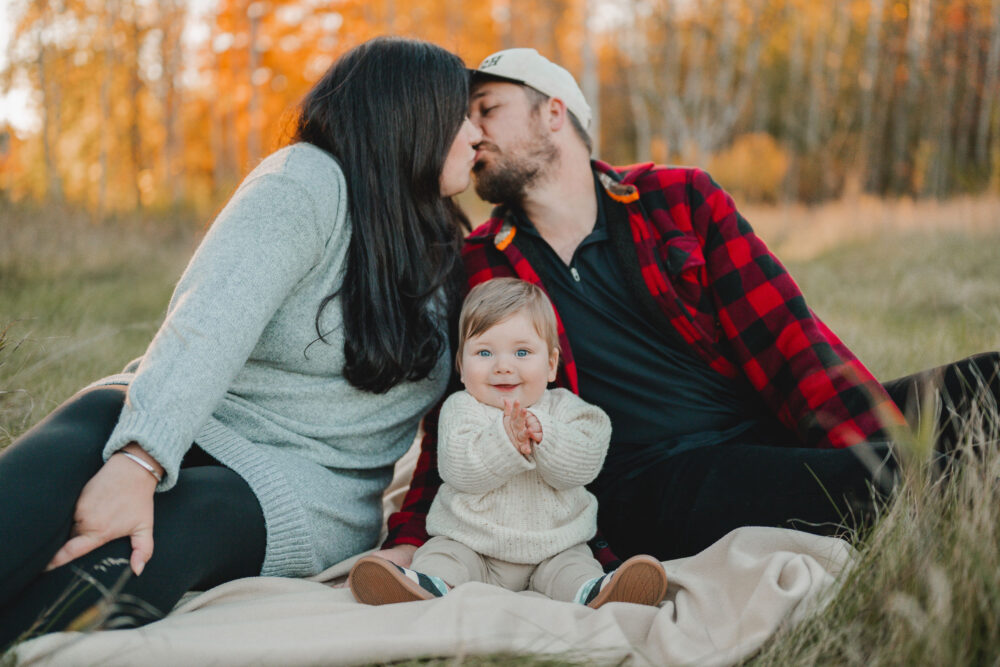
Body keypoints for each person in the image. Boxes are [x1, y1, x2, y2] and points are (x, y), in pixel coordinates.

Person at [375, 47, 1000, 572]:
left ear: (553, 113)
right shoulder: (482, 262)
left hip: (760, 425)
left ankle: (878, 471)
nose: (474, 132)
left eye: (487, 110)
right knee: (890, 479)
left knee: (983, 383)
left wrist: (869, 438)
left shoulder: (678, 199)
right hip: (653, 481)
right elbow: (463, 406)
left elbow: (789, 341)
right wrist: (409, 540)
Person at [0, 36, 484, 648]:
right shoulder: (306, 183)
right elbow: (207, 321)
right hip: (191, 413)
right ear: (408, 117)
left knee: (184, 523)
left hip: (307, 485)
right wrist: (139, 459)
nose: (475, 135)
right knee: (75, 442)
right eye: (459, 116)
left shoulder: (454, 252)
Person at [348, 278, 668, 608]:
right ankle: (427, 585)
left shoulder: (568, 410)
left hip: (555, 546)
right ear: (461, 366)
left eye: (522, 352)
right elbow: (459, 470)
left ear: (551, 365)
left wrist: (545, 434)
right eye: (484, 352)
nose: (503, 366)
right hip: (472, 543)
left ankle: (595, 590)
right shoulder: (461, 409)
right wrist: (505, 442)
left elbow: (582, 467)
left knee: (574, 566)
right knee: (443, 555)